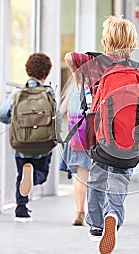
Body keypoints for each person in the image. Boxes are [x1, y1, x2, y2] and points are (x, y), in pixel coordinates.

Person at [64, 15, 139, 253]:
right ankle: (113, 214)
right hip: (131, 137)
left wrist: (79, 78)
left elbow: (69, 57)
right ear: (132, 43)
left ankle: (95, 226)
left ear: (106, 40)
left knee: (97, 177)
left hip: (100, 137)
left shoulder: (96, 63)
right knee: (120, 178)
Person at [0, 53, 56, 222]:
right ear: (46, 74)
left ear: (27, 71)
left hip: (21, 143)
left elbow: (2, 115)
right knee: (42, 175)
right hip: (43, 144)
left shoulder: (17, 93)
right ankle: (34, 177)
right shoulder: (49, 92)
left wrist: (14, 122)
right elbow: (57, 118)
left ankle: (21, 209)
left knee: (21, 175)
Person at [59, 78, 92, 226]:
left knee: (81, 177)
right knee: (100, 177)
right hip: (97, 139)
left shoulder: (74, 88)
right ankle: (98, 213)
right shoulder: (99, 85)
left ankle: (79, 211)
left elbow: (62, 111)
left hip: (78, 138)